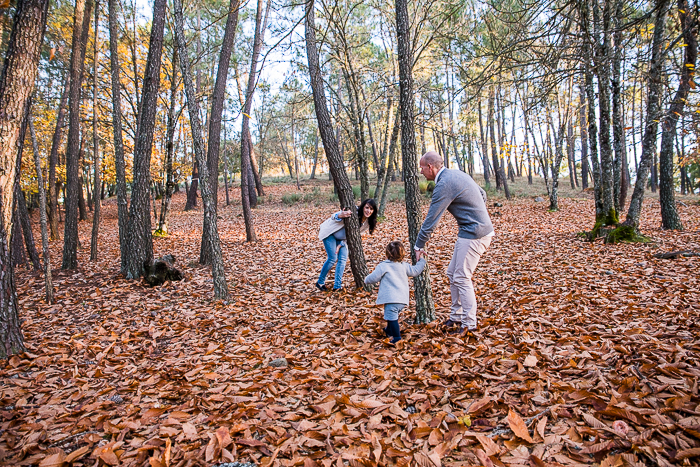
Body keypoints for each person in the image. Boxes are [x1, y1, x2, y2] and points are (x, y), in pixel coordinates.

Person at [414, 151, 494, 334]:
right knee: (452, 273)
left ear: (430, 167)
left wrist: (419, 245)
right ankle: (456, 316)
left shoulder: (444, 184)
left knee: (462, 276)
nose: (421, 172)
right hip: (470, 231)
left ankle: (469, 324)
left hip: (475, 233)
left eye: (422, 168)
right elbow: (482, 194)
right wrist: (475, 212)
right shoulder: (456, 174)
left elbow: (431, 220)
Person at [364, 241, 426, 343]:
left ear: (387, 254)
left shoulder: (383, 266)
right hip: (402, 298)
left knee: (392, 318)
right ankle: (389, 330)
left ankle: (397, 337)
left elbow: (374, 278)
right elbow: (415, 271)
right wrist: (422, 261)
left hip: (391, 298)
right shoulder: (404, 266)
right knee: (390, 316)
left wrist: (366, 280)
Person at [316, 198, 377, 291]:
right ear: (363, 207)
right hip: (330, 233)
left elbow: (354, 235)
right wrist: (340, 215)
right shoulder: (353, 210)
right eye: (367, 208)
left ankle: (337, 286)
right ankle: (320, 282)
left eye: (371, 209)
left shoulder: (367, 223)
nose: (368, 211)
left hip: (342, 239)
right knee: (332, 258)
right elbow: (333, 216)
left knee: (343, 259)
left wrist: (341, 244)